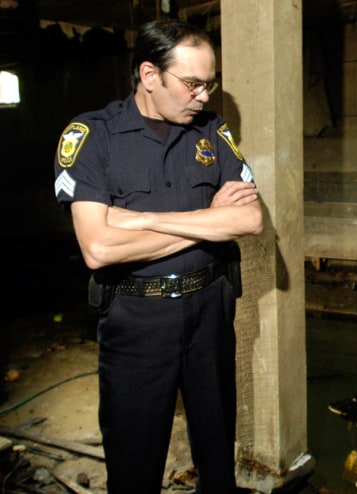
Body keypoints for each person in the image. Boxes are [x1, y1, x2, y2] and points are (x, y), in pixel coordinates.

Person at [52, 18, 263, 494]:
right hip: (136, 320)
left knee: (218, 459)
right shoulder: (92, 136)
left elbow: (250, 222)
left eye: (210, 84)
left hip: (210, 314)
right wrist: (208, 219)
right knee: (134, 466)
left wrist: (139, 219)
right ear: (150, 76)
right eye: (192, 84)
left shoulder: (212, 132)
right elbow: (99, 248)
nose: (204, 96)